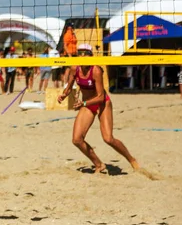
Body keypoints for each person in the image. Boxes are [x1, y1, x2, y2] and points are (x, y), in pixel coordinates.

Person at [58, 43, 140, 173]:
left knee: (108, 138)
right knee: (77, 140)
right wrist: (64, 94)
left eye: (85, 54)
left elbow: (101, 97)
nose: (82, 56)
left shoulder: (96, 70)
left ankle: (131, 159)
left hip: (102, 104)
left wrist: (83, 104)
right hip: (87, 105)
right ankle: (99, 164)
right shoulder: (75, 68)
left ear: (91, 56)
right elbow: (69, 87)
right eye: (80, 54)